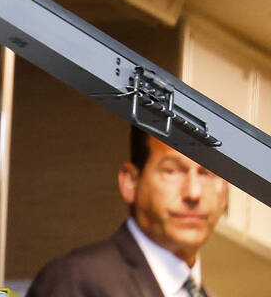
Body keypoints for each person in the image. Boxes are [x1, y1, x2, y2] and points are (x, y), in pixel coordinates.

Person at [28, 126, 230, 296]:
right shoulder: (77, 280)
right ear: (131, 182)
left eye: (207, 174)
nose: (193, 193)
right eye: (172, 171)